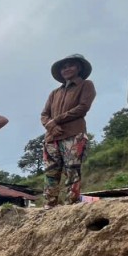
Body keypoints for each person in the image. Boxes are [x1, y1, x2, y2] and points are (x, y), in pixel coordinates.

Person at [40, 54, 96, 207]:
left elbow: (82, 108)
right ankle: (49, 205)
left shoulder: (86, 85)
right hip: (52, 138)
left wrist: (56, 120)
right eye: (64, 67)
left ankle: (70, 205)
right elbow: (44, 114)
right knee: (51, 172)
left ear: (79, 68)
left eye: (71, 65)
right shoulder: (54, 93)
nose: (67, 69)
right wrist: (51, 125)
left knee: (72, 171)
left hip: (74, 135)